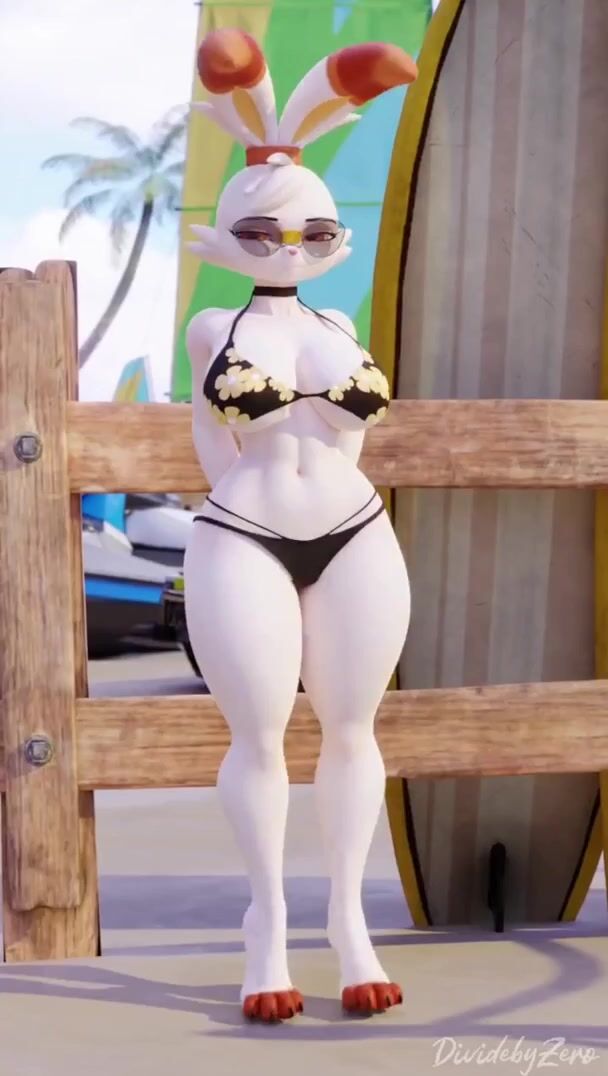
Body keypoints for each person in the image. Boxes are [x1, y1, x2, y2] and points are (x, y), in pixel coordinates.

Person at [183, 28, 417, 1023]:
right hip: (244, 534)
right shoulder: (213, 329)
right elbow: (214, 436)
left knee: (355, 729)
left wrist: (318, 475)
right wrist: (248, 506)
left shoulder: (339, 331)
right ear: (225, 232)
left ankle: (349, 924)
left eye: (314, 234)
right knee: (260, 734)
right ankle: (267, 923)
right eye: (263, 233)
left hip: (354, 529)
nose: (290, 249)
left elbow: (351, 438)